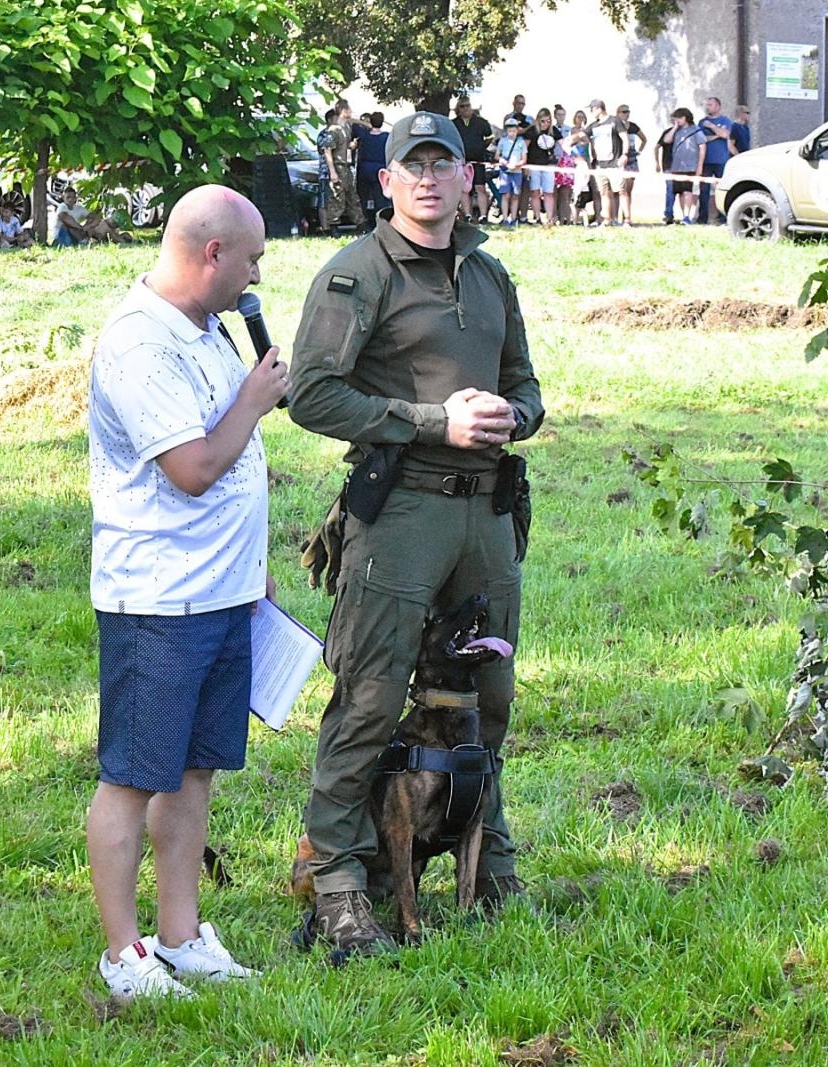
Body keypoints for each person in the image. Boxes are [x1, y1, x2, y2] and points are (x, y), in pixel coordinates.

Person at [288, 111, 545, 956]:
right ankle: (338, 880)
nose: (430, 179)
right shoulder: (357, 274)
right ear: (387, 181)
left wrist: (516, 415)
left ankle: (490, 865)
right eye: (413, 166)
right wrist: (431, 419)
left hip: (488, 514)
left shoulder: (489, 275)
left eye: (445, 164)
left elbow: (528, 387)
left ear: (468, 177)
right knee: (368, 698)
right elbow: (314, 395)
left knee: (488, 698)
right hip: (401, 512)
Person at [86, 184, 286, 997]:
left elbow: (232, 462)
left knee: (194, 770)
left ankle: (179, 934)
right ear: (213, 255)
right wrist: (256, 396)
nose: (257, 276)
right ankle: (123, 952)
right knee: (132, 778)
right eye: (253, 259)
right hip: (158, 602)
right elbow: (195, 468)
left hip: (221, 590)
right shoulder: (139, 344)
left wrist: (254, 564)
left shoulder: (206, 329)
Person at [583, 99, 631, 226]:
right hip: (600, 165)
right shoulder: (594, 126)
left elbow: (625, 139)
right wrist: (571, 139)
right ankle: (607, 220)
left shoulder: (615, 121)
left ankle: (627, 220)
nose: (591, 112)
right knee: (604, 192)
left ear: (599, 109)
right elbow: (582, 135)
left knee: (621, 191)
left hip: (615, 163)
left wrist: (624, 155)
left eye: (592, 109)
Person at [320, 105, 364, 232]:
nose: (351, 112)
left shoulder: (345, 128)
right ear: (343, 111)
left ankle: (360, 223)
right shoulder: (333, 130)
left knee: (352, 196)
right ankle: (333, 225)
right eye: (349, 109)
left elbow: (343, 146)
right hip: (338, 166)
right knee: (337, 197)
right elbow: (327, 150)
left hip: (346, 166)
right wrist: (332, 172)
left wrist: (352, 145)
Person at [452, 96, 495, 223]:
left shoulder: (481, 122)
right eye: (462, 106)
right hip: (461, 162)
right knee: (464, 189)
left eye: (467, 105)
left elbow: (490, 136)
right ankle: (468, 215)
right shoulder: (454, 124)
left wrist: (481, 147)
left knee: (480, 187)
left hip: (478, 161)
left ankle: (483, 216)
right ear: (458, 109)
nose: (465, 108)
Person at [661, 107, 708, 225]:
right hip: (676, 166)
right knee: (680, 192)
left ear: (684, 118)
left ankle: (687, 216)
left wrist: (699, 166)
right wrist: (675, 127)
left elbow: (702, 148)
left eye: (678, 118)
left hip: (690, 166)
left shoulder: (696, 131)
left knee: (688, 191)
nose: (676, 121)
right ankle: (683, 216)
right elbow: (666, 140)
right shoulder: (676, 130)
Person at [49, 186, 132, 247]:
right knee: (68, 225)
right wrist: (80, 228)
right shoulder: (62, 206)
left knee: (100, 225)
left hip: (77, 233)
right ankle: (84, 240)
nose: (71, 199)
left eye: (73, 197)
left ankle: (91, 239)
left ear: (76, 198)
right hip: (61, 236)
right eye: (68, 197)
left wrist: (88, 226)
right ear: (63, 198)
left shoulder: (79, 208)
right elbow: (65, 218)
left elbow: (95, 217)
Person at [696, 96, 735, 224]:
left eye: (711, 105)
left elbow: (725, 134)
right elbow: (702, 139)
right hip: (706, 161)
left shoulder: (725, 120)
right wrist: (717, 135)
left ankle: (722, 217)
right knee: (704, 190)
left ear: (718, 106)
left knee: (723, 189)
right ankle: (702, 218)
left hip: (721, 160)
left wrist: (712, 127)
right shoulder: (702, 122)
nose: (708, 107)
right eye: (707, 105)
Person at [523, 109, 560, 226]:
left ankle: (549, 218)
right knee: (535, 192)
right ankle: (538, 217)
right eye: (543, 121)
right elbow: (525, 148)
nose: (545, 124)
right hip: (533, 165)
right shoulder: (532, 131)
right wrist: (524, 165)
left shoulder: (554, 131)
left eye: (548, 121)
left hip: (548, 166)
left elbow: (564, 143)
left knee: (549, 192)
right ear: (538, 120)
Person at [354, 112, 391, 228]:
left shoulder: (364, 135)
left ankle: (364, 223)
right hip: (379, 169)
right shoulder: (386, 136)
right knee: (380, 199)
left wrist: (366, 124)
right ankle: (380, 223)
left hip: (364, 169)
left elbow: (353, 123)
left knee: (362, 198)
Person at [613, 105, 647, 226]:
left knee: (627, 190)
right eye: (624, 111)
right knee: (617, 190)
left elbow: (644, 139)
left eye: (628, 111)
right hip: (618, 158)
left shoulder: (633, 126)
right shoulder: (615, 125)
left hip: (631, 159)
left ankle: (626, 216)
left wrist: (639, 150)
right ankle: (615, 217)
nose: (626, 114)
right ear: (618, 113)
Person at [494, 117, 527, 226]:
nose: (511, 133)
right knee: (505, 195)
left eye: (513, 131)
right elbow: (497, 155)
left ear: (517, 130)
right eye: (509, 131)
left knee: (515, 195)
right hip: (505, 172)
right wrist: (502, 160)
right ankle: (504, 218)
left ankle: (513, 218)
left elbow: (524, 158)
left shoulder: (521, 142)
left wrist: (517, 165)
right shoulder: (503, 141)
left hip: (517, 172)